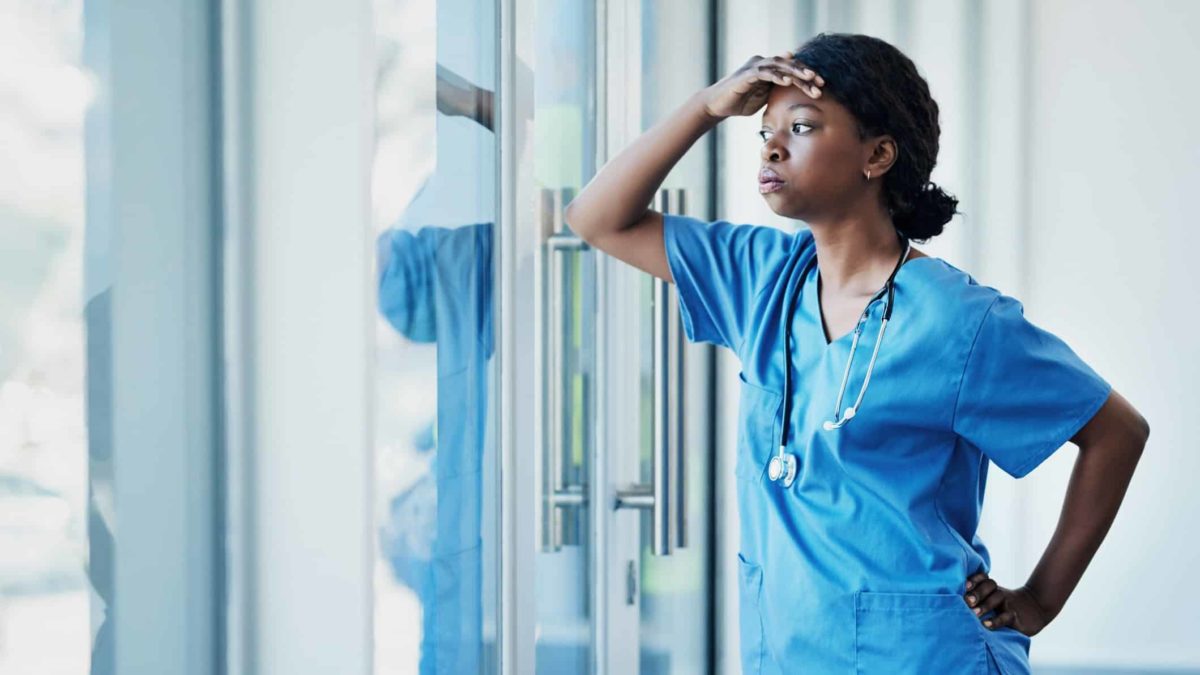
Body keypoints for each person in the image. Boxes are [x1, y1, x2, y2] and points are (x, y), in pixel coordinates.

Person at [564, 32, 1149, 675]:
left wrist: (1041, 599)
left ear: (877, 155)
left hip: (927, 657)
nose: (774, 146)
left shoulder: (961, 321)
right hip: (789, 652)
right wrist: (705, 108)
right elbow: (597, 218)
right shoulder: (757, 279)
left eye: (803, 125)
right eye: (765, 133)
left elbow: (1117, 432)